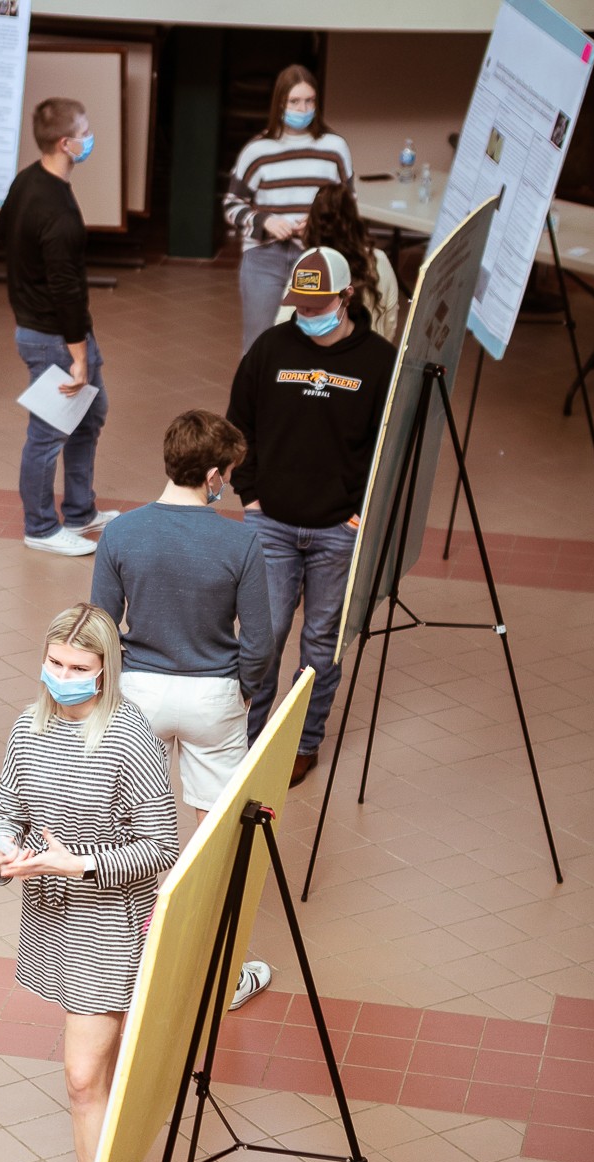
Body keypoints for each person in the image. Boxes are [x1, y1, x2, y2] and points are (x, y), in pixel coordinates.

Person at [0, 605, 178, 1162]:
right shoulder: (28, 726)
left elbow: (162, 849)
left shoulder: (130, 739)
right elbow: (8, 807)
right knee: (92, 1080)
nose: (62, 677)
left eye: (77, 669)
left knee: (79, 1077)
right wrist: (4, 850)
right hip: (52, 914)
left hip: (107, 923)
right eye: (55, 664)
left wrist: (80, 866)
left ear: (105, 668)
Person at [89, 409, 276, 1011]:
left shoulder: (121, 533)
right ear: (216, 475)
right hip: (212, 695)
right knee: (216, 833)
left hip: (138, 693)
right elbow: (262, 639)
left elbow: (99, 627)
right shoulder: (240, 538)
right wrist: (246, 692)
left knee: (124, 829)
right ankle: (221, 970)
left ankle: (120, 956)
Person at [228, 246, 397, 785]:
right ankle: (249, 743)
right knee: (265, 635)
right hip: (270, 522)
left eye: (317, 302)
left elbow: (390, 448)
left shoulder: (378, 361)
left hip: (337, 531)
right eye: (298, 303)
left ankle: (304, 742)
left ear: (346, 297)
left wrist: (357, 517)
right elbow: (238, 427)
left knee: (321, 643)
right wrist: (249, 494)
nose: (306, 313)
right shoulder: (270, 348)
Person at [0, 96, 117, 556]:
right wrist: (79, 357)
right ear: (66, 143)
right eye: (84, 131)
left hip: (48, 328)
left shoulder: (28, 180)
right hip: (55, 339)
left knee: (92, 413)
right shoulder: (58, 213)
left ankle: (82, 510)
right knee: (47, 434)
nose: (90, 138)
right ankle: (41, 527)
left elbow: (1, 231)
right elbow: (67, 292)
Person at [224, 64, 354, 354]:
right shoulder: (257, 150)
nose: (302, 108)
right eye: (294, 101)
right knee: (259, 343)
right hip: (264, 257)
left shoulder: (335, 148)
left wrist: (319, 221)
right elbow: (232, 206)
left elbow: (348, 205)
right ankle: (257, 398)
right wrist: (265, 220)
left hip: (315, 257)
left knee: (312, 342)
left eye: (309, 101)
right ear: (280, 103)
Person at [275, 182, 399, 342]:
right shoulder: (379, 260)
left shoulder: (309, 266)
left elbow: (283, 325)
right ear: (355, 220)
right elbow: (390, 323)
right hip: (368, 358)